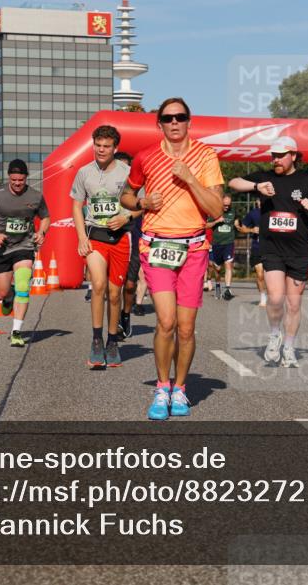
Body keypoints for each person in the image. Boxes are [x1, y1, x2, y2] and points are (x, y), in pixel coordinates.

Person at [120, 98, 224, 420]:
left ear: (189, 121)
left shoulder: (206, 156)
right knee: (166, 322)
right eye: (168, 118)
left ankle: (180, 388)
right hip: (157, 246)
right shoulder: (146, 156)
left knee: (186, 328)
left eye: (180, 117)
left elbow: (216, 209)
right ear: (159, 124)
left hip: (193, 248)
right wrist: (142, 203)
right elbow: (125, 196)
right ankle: (162, 387)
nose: (174, 122)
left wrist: (190, 178)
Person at [229, 140, 308, 368]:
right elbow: (233, 182)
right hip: (272, 249)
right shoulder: (265, 177)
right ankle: (275, 334)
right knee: (275, 299)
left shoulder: (307, 181)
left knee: (293, 305)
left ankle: (289, 347)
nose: (275, 159)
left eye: (280, 155)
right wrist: (257, 187)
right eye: (273, 155)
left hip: (298, 251)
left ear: (293, 156)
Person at [71, 126, 136, 368]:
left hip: (120, 237)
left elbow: (141, 205)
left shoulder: (127, 173)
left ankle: (112, 340)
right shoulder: (84, 172)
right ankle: (97, 340)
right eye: (98, 145)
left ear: (115, 148)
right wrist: (81, 237)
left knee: (114, 293)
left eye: (106, 146)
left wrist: (125, 217)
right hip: (95, 235)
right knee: (98, 285)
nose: (101, 150)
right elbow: (76, 206)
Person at [0, 159, 50, 347]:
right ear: (9, 177)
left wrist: (41, 232)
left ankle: (16, 331)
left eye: (21, 180)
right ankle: (8, 297)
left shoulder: (35, 196)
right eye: (14, 180)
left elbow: (45, 217)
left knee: (23, 285)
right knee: (1, 292)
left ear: (26, 178)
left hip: (24, 246)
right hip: (1, 248)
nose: (17, 183)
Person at [114, 150, 144, 339]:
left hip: (134, 235)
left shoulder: (137, 187)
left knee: (130, 284)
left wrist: (127, 218)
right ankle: (115, 322)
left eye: (127, 167)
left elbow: (144, 206)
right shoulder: (106, 184)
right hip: (111, 237)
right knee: (114, 285)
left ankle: (126, 314)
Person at [205, 194, 238, 300]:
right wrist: (217, 221)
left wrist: (238, 225)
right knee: (217, 268)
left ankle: (227, 289)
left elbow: (238, 223)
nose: (227, 207)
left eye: (228, 205)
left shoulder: (233, 212)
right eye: (225, 205)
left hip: (229, 243)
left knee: (228, 264)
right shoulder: (214, 212)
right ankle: (218, 285)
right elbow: (206, 225)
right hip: (217, 244)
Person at [238, 204, 267, 306]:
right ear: (257, 202)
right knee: (260, 274)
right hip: (257, 248)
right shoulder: (253, 213)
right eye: (260, 200)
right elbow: (242, 228)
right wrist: (251, 230)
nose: (261, 202)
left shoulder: (274, 211)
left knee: (270, 276)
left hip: (272, 249)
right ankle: (263, 297)